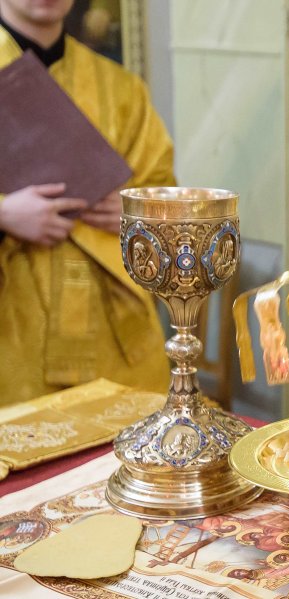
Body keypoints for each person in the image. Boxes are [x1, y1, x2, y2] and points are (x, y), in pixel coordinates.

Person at [0, 0, 174, 407]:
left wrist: (136, 210)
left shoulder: (120, 88)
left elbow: (163, 190)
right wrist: (5, 214)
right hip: (15, 327)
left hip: (111, 334)